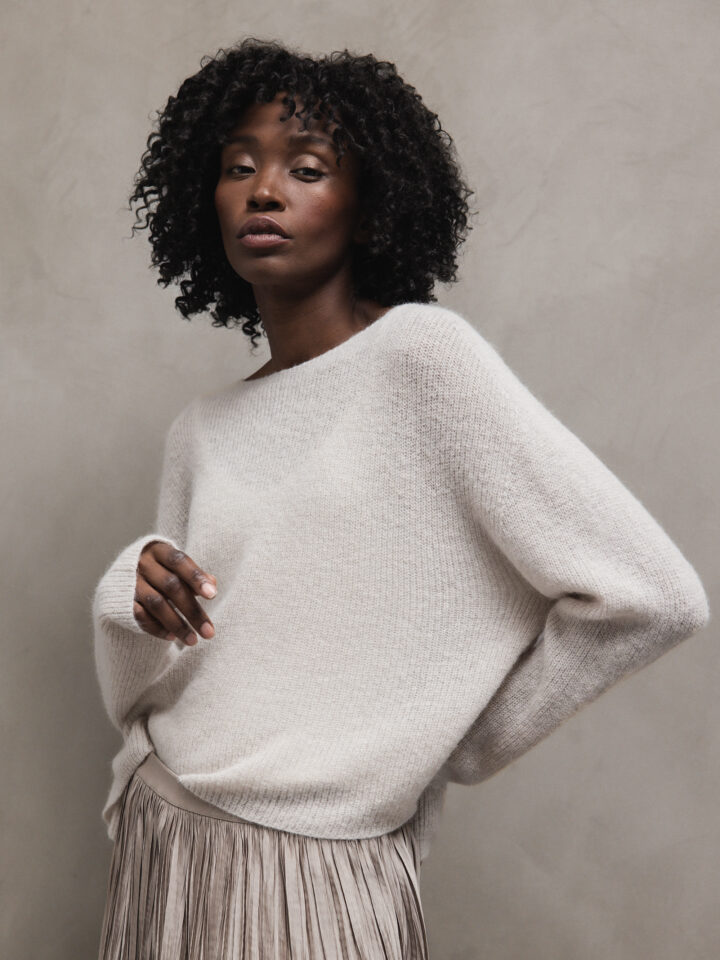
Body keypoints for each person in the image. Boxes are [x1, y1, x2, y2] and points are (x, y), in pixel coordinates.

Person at [92, 37, 710, 960]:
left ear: (370, 203)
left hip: (313, 866)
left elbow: (654, 595)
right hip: (161, 825)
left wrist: (449, 750)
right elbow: (152, 680)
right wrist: (129, 594)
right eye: (238, 167)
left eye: (307, 168)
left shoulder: (424, 360)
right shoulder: (202, 428)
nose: (265, 191)